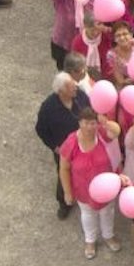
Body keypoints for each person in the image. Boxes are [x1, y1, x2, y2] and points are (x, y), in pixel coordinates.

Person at [58, 108, 122, 259]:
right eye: (86, 123)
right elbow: (64, 168)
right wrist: (67, 191)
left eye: (93, 123)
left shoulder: (102, 134)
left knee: (108, 211)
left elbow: (117, 131)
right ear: (79, 123)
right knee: (87, 213)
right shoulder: (71, 142)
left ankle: (108, 236)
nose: (90, 127)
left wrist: (104, 121)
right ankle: (90, 241)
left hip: (106, 186)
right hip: (83, 187)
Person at [35, 72, 91, 220]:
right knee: (63, 174)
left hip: (83, 143)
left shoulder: (80, 96)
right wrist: (54, 146)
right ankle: (64, 203)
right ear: (61, 91)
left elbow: (91, 111)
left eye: (74, 84)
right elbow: (40, 129)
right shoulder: (48, 108)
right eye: (71, 86)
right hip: (64, 149)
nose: (75, 88)